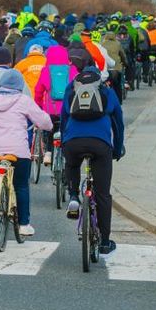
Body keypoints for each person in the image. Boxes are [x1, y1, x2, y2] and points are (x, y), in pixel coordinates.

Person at [60, 65, 125, 256]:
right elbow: (118, 121)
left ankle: (73, 195)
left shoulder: (71, 88)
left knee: (72, 164)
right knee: (103, 194)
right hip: (100, 144)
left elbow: (64, 116)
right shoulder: (106, 90)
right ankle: (105, 241)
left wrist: (65, 141)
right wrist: (118, 147)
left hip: (73, 141)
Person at [0, 69, 52, 237]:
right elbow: (43, 121)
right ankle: (24, 224)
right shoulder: (24, 100)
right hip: (18, 151)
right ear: (20, 86)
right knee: (21, 185)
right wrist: (49, 126)